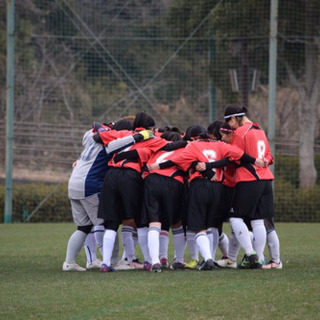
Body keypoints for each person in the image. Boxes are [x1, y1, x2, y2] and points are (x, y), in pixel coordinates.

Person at [149, 125, 261, 270]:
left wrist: (159, 166)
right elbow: (239, 154)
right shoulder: (221, 145)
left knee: (198, 227)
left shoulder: (194, 146)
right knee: (212, 226)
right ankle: (212, 258)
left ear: (195, 138)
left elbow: (177, 159)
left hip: (199, 186)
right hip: (218, 188)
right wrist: (255, 160)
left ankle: (207, 259)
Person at [62, 119, 144, 271]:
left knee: (84, 227)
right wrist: (137, 136)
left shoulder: (89, 137)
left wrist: (102, 127)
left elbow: (91, 131)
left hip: (74, 182)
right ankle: (114, 261)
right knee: (109, 222)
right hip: (89, 185)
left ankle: (69, 262)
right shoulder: (110, 144)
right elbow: (118, 143)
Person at [223, 104, 278, 269]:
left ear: (234, 118)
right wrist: (266, 160)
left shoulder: (240, 132)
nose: (229, 127)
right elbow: (268, 154)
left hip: (249, 179)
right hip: (266, 179)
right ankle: (259, 259)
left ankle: (250, 253)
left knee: (235, 217)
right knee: (258, 220)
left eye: (229, 122)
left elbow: (235, 155)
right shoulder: (259, 129)